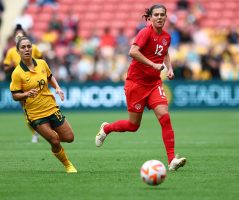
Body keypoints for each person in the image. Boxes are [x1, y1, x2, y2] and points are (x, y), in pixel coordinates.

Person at [95, 4, 186, 171]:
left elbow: (164, 52)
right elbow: (133, 51)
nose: (159, 17)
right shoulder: (145, 32)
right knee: (133, 126)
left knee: (165, 117)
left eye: (162, 15)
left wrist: (169, 68)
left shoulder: (167, 36)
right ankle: (106, 128)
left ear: (166, 18)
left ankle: (172, 159)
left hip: (154, 84)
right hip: (136, 84)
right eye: (156, 15)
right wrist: (153, 64)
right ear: (150, 18)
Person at [10, 36, 77, 173]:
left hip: (51, 107)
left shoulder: (41, 63)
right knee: (55, 140)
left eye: (29, 46)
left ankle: (53, 142)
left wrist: (57, 87)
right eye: (23, 47)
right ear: (18, 51)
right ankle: (67, 164)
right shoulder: (17, 73)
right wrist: (26, 94)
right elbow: (15, 95)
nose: (27, 49)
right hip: (35, 114)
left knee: (69, 138)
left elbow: (50, 76)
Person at [3, 24, 42, 143]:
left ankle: (47, 128)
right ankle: (35, 132)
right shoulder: (11, 52)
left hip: (35, 82)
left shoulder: (33, 48)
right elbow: (5, 68)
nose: (19, 37)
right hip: (20, 84)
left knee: (42, 106)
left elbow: (42, 59)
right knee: (27, 111)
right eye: (17, 35)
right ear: (14, 38)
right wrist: (11, 67)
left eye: (21, 35)